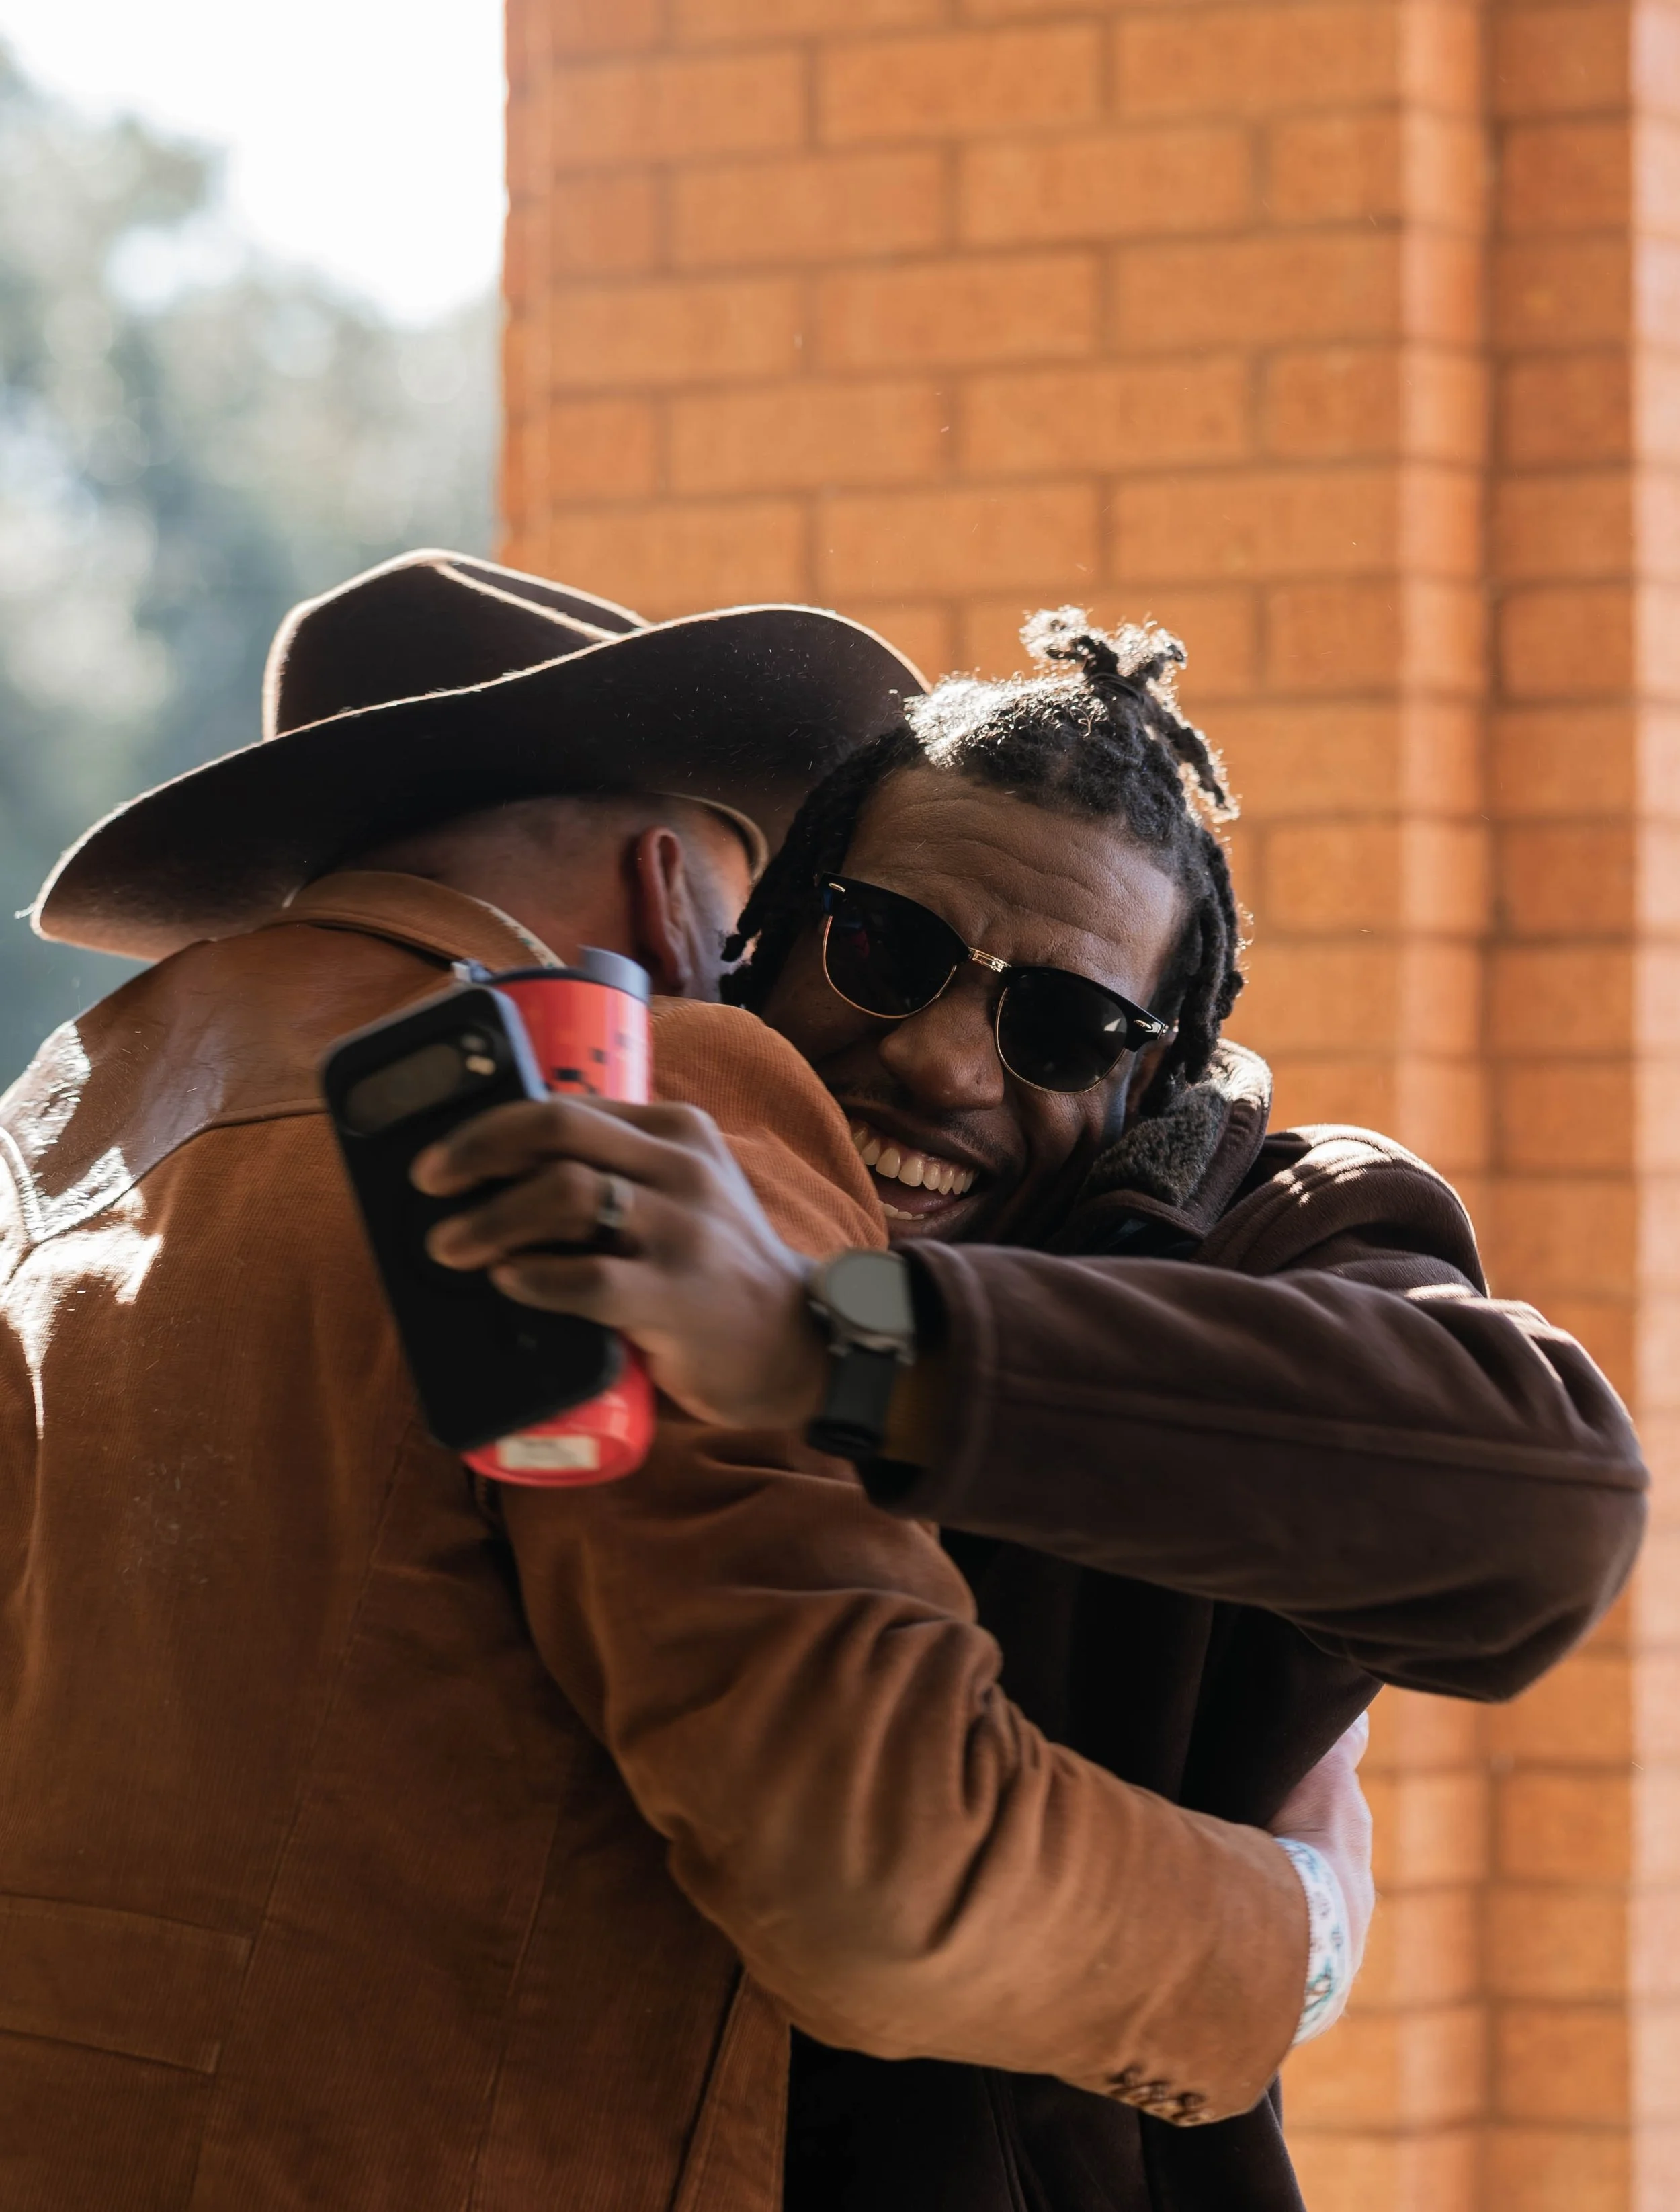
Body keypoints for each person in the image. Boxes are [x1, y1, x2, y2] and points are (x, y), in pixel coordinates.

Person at [0, 554, 1368, 2211]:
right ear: (674, 896)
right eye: (829, 937)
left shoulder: (65, 1136)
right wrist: (1290, 1927)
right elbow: (871, 1858)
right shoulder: (637, 1105)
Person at [417, 609, 1648, 2212]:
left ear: (1151, 1085)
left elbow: (1553, 1504)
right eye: (885, 949)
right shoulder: (637, 1172)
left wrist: (832, 1343)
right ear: (763, 942)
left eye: (1058, 1026)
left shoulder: (1288, 1233)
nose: (938, 1060)